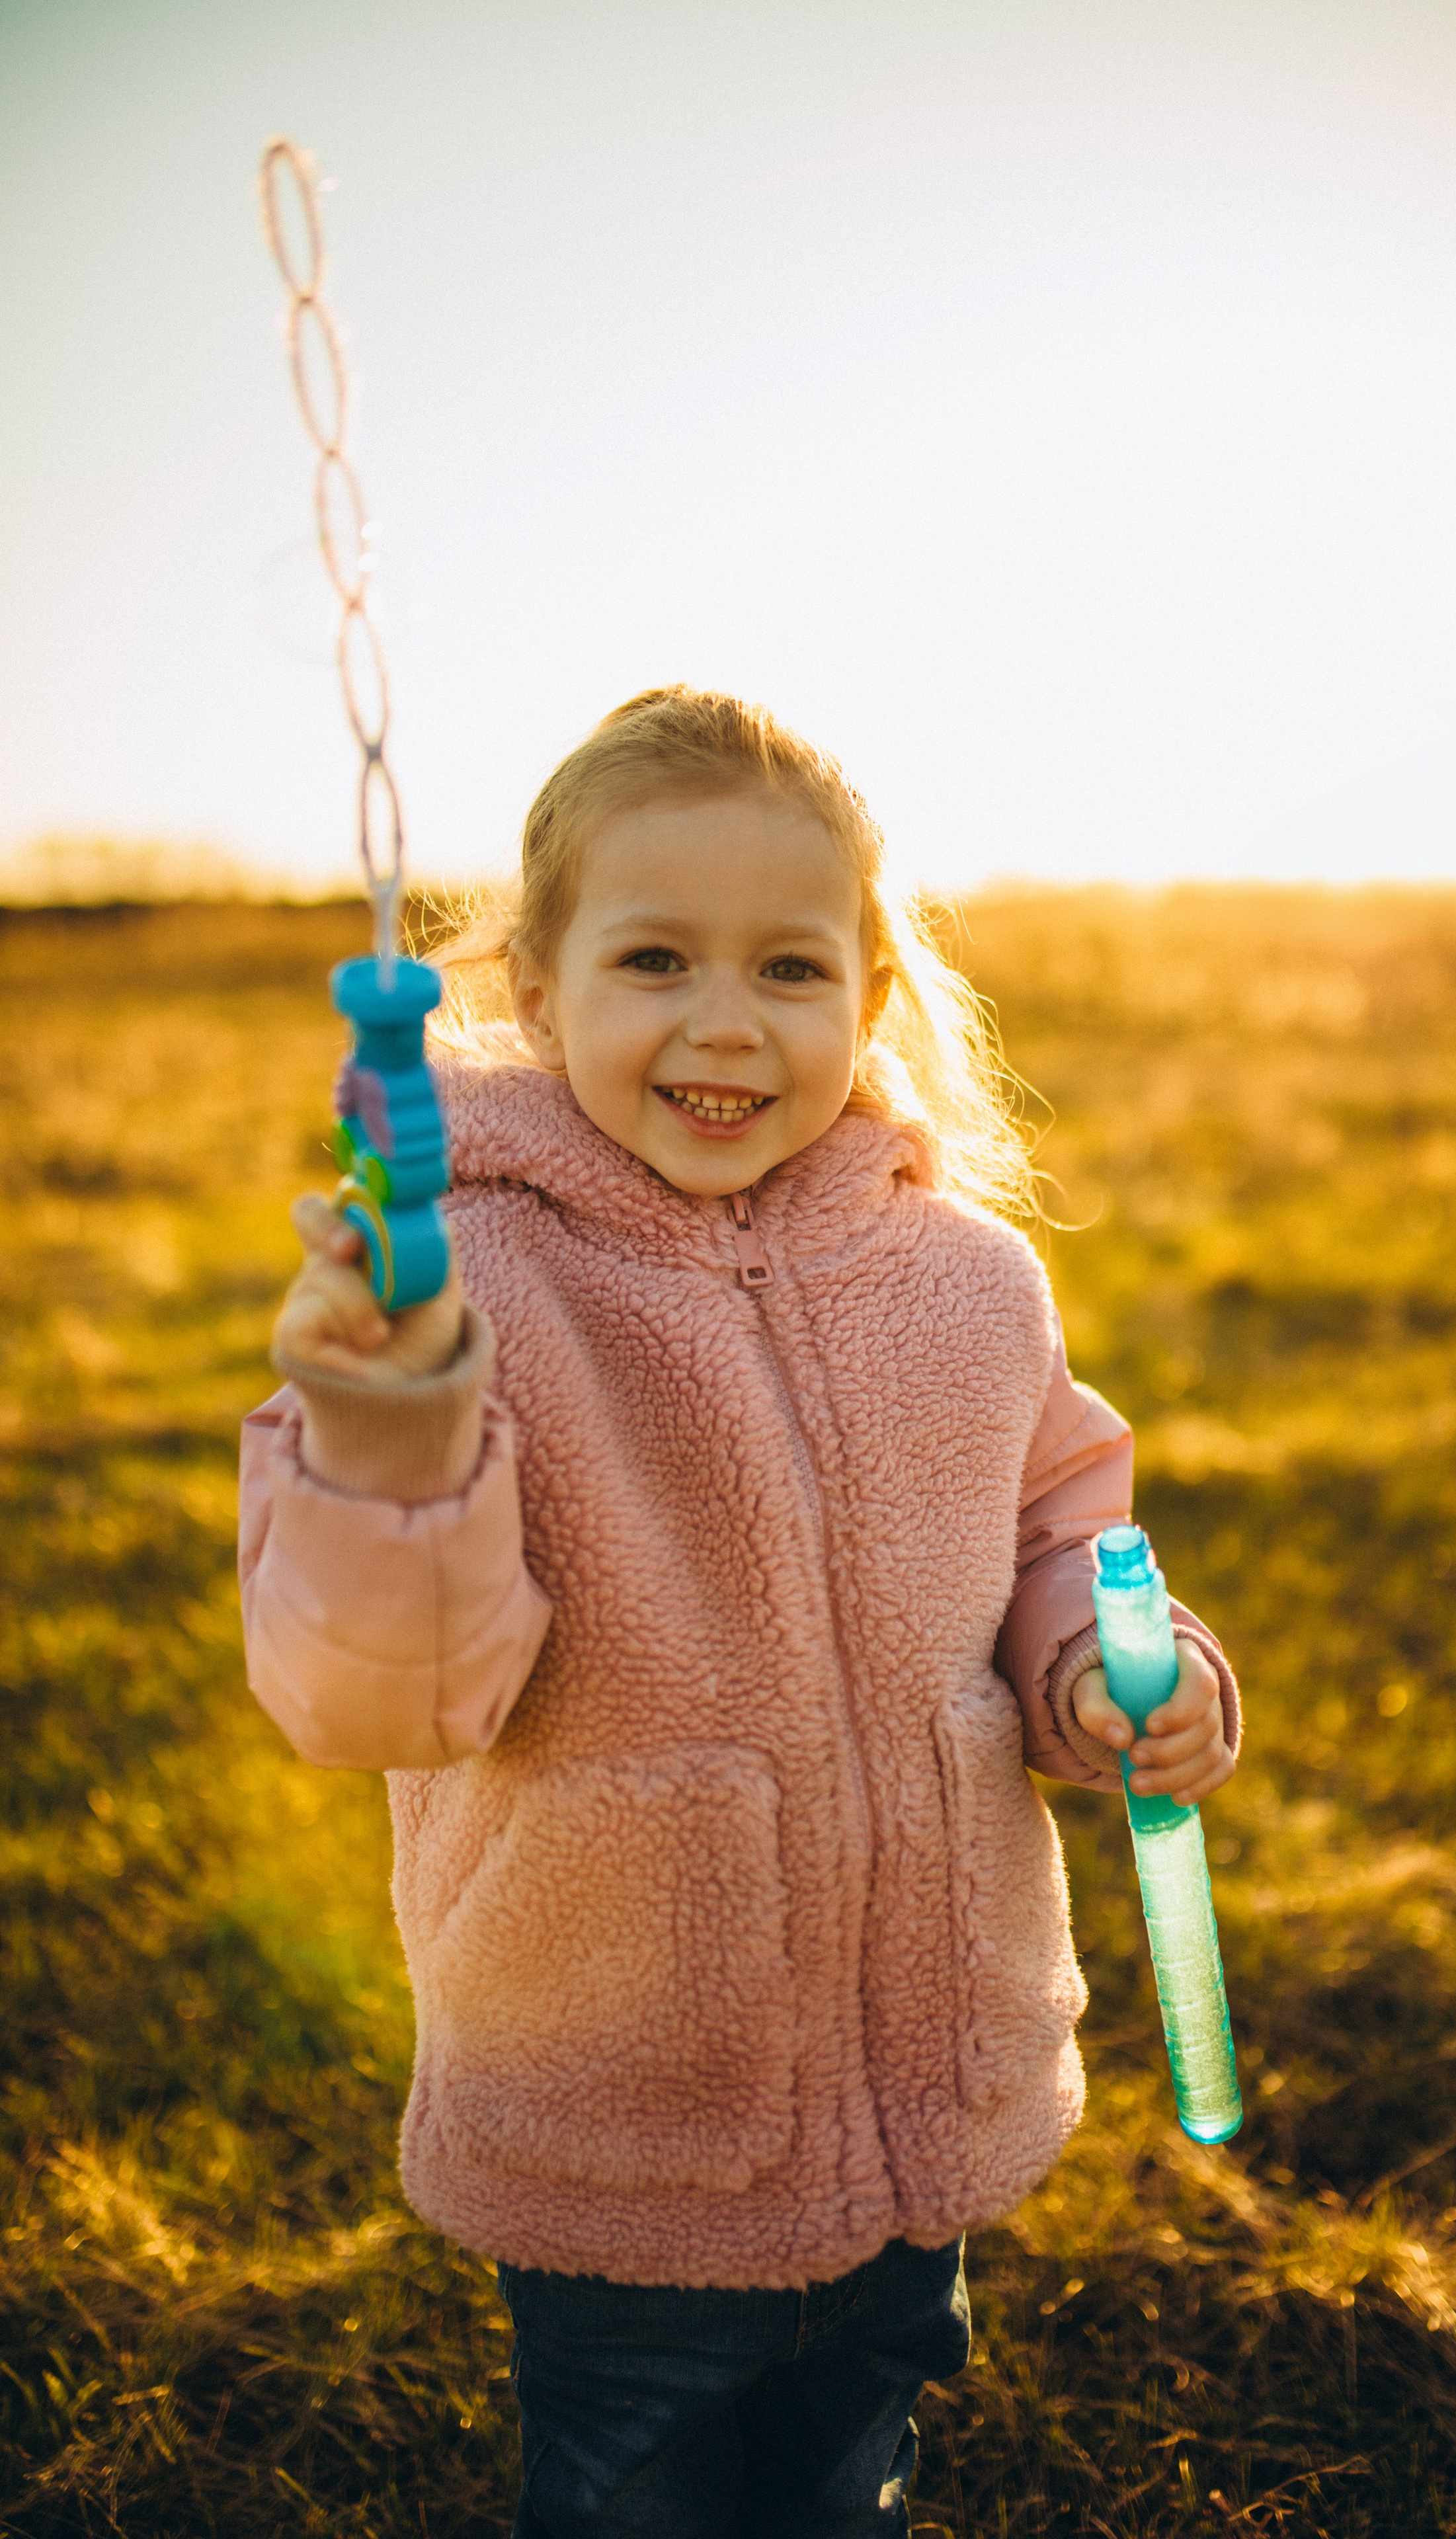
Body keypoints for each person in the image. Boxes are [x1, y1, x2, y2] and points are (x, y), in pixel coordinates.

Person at [238, 687, 1242, 2538]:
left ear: (868, 998)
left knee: (845, 2482)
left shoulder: (969, 1284)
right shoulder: (462, 1289)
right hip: (627, 2118)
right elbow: (380, 1694)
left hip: (924, 2105)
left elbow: (1056, 1534)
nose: (723, 1021)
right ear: (537, 992)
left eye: (788, 966)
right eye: (653, 959)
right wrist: (393, 1421)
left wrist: (1119, 1672)